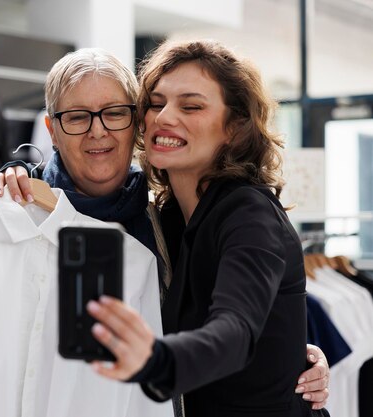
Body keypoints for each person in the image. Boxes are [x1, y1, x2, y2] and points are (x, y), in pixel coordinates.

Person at [0, 47, 329, 409]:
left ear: (133, 123)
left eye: (114, 113)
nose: (97, 132)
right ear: (53, 130)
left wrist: (300, 355)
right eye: (77, 117)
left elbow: (239, 322)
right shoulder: (16, 211)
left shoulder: (159, 227)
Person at [84, 40, 330, 416]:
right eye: (155, 103)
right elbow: (76, 189)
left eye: (191, 106)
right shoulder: (164, 216)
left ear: (233, 128)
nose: (164, 117)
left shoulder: (249, 214)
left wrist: (157, 361)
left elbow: (235, 330)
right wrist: (15, 173)